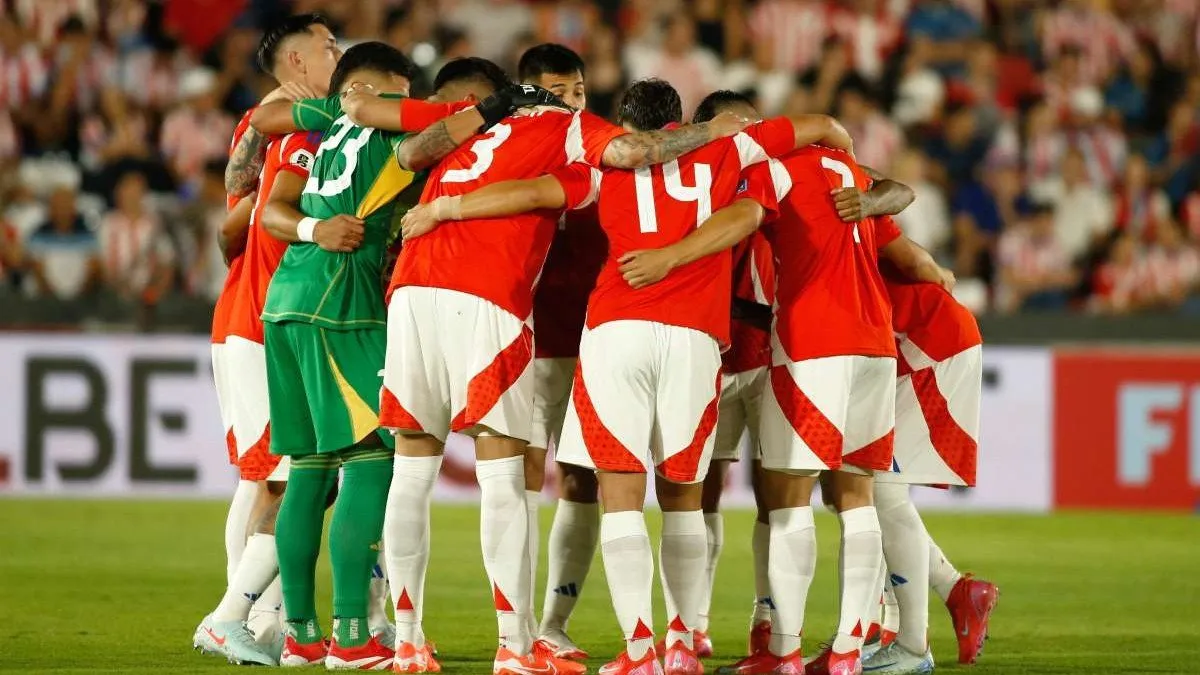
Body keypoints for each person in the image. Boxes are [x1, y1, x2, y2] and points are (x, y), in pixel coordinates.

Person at [397, 79, 853, 675]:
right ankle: (683, 642)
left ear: (624, 122)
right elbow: (819, 127)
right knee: (684, 497)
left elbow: (530, 191)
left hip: (615, 328)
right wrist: (846, 159)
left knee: (620, 498)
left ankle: (639, 651)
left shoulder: (599, 161)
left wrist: (444, 209)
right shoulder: (729, 147)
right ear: (679, 119)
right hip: (695, 333)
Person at [618, 138, 951, 675]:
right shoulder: (847, 172)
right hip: (875, 344)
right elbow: (905, 219)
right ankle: (848, 651)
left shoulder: (773, 170)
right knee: (857, 496)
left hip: (814, 342)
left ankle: (785, 652)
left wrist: (670, 256)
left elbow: (742, 219)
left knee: (790, 499)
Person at [252, 42, 529, 670]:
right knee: (376, 457)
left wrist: (332, 111)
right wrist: (498, 106)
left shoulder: (331, 118)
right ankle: (352, 636)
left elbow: (266, 120)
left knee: (310, 468)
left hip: (287, 298)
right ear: (376, 87)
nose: (409, 101)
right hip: (341, 300)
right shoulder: (387, 125)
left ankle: (300, 635)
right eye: (401, 92)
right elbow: (434, 137)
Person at [194, 13, 337, 667]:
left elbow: (233, 221)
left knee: (273, 476)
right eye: (328, 46)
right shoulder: (290, 122)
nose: (338, 53)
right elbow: (238, 220)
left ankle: (262, 617)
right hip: (258, 318)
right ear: (298, 62)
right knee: (277, 478)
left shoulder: (284, 124)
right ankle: (240, 617)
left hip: (266, 313)